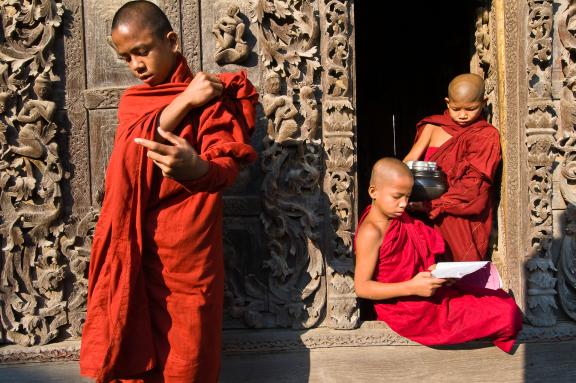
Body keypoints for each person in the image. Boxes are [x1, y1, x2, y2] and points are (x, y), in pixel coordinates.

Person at [79, 1, 258, 382]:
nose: (137, 66)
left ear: (172, 40)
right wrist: (184, 101)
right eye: (127, 58)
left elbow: (227, 166)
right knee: (131, 342)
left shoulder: (213, 98)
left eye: (142, 51)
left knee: (188, 355)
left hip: (188, 254)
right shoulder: (134, 101)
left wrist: (198, 168)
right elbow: (131, 149)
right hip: (137, 245)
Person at [354, 157, 522, 353]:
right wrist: (412, 287)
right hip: (408, 310)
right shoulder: (371, 232)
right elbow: (362, 287)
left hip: (427, 292)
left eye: (407, 197)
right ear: (373, 191)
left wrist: (436, 274)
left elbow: (414, 260)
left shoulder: (400, 218)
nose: (403, 204)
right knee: (506, 313)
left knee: (501, 300)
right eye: (397, 196)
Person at [403, 73, 501, 261]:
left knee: (459, 274)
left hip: (459, 216)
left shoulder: (486, 135)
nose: (463, 115)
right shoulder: (433, 126)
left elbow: (474, 187)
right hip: (421, 206)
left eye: (470, 109)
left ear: (484, 102)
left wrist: (432, 205)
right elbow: (408, 162)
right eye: (456, 108)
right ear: (447, 103)